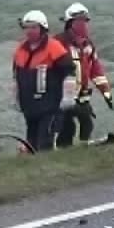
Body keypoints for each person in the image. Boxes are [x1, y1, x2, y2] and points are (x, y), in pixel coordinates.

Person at [12, 9, 73, 152]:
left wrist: (68, 97)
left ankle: (46, 170)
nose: (29, 31)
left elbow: (69, 72)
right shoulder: (20, 50)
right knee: (31, 144)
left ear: (42, 28)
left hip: (50, 107)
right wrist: (15, 98)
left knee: (45, 143)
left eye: (34, 27)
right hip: (29, 107)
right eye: (27, 27)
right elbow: (16, 77)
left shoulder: (54, 47)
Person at [58, 2, 114, 147]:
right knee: (67, 129)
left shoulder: (87, 45)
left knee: (87, 124)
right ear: (70, 23)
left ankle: (83, 150)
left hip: (82, 97)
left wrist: (106, 92)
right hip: (62, 97)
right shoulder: (59, 43)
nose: (84, 25)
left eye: (85, 21)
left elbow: (96, 71)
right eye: (80, 21)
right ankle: (63, 155)